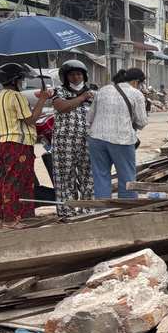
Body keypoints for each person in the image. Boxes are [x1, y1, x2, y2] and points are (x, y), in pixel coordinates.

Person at [0, 63, 49, 229]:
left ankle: (8, 217)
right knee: (16, 181)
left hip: (1, 142)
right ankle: (10, 220)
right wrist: (42, 99)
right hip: (18, 144)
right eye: (21, 78)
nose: (23, 81)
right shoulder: (17, 97)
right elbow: (30, 119)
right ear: (14, 80)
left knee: (7, 179)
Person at [87, 67, 147, 200]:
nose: (141, 87)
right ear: (137, 82)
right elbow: (142, 122)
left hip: (96, 139)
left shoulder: (103, 90)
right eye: (141, 84)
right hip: (122, 140)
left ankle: (102, 213)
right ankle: (126, 212)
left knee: (101, 177)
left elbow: (90, 118)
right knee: (127, 178)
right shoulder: (136, 94)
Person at [50, 60, 97, 219]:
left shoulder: (94, 94)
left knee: (88, 178)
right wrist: (82, 97)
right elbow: (62, 107)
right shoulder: (59, 92)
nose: (76, 77)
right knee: (64, 178)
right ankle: (66, 213)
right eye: (72, 75)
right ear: (65, 77)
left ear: (84, 75)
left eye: (79, 74)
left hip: (88, 142)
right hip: (64, 143)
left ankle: (87, 211)